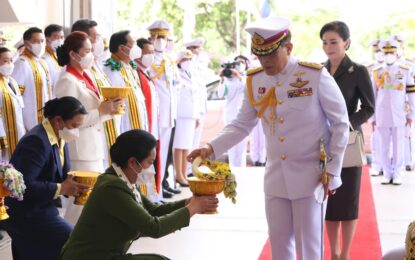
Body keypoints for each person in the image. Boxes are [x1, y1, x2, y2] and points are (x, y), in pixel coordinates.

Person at [188, 16, 349, 259]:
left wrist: (333, 170)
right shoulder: (255, 80)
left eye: (270, 55)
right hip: (276, 178)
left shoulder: (314, 76)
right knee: (279, 246)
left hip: (310, 177)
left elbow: (340, 123)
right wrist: (210, 147)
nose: (264, 61)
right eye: (260, 55)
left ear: (289, 48)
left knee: (309, 249)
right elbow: (242, 124)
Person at [60, 129, 219, 260]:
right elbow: (153, 227)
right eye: (150, 162)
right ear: (132, 163)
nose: (153, 169)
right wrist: (192, 209)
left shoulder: (122, 180)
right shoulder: (111, 187)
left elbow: (154, 210)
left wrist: (189, 202)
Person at [2, 96, 90, 260]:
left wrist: (76, 185)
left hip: (42, 208)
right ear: (58, 121)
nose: (76, 132)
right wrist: (62, 188)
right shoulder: (37, 141)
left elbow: (59, 174)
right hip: (25, 212)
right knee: (74, 242)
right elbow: (23, 186)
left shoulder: (59, 137)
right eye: (74, 126)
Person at [320, 21, 375, 260]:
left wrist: (347, 123)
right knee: (330, 201)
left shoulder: (358, 71)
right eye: (324, 42)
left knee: (348, 200)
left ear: (346, 43)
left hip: (350, 142)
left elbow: (369, 107)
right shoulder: (318, 71)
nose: (328, 47)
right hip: (324, 143)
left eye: (333, 41)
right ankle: (334, 252)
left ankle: (346, 254)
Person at [55, 31, 121, 225]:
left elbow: (95, 111)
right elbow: (68, 121)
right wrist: (100, 111)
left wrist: (110, 108)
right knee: (80, 204)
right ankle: (68, 243)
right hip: (79, 150)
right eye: (87, 51)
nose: (91, 55)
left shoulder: (85, 76)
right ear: (73, 54)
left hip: (93, 146)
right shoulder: (67, 80)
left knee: (92, 202)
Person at [70, 19, 120, 169]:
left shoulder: (93, 67)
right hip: (84, 145)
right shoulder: (70, 75)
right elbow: (71, 119)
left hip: (99, 136)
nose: (100, 41)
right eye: (96, 37)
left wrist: (112, 107)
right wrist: (102, 110)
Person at [372, 39, 415, 185]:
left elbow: (411, 94)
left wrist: (411, 114)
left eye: (392, 52)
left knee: (398, 146)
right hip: (382, 114)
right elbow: (372, 96)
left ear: (396, 53)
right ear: (382, 54)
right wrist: (372, 117)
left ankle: (397, 173)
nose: (389, 55)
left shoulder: (404, 70)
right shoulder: (376, 72)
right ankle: (387, 173)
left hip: (399, 114)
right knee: (383, 145)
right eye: (386, 53)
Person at [147, 20, 180, 199]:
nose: (160, 41)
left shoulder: (169, 60)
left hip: (169, 114)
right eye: (157, 37)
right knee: (154, 154)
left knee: (164, 153)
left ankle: (159, 188)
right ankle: (154, 191)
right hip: (156, 115)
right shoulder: (148, 59)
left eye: (163, 37)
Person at [103, 30, 149, 134]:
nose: (137, 48)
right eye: (133, 45)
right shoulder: (111, 70)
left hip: (139, 127)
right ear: (122, 48)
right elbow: (115, 103)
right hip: (125, 130)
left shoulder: (130, 67)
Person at [12, 27, 52, 131]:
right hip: (29, 121)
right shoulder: (21, 63)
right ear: (27, 43)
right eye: (36, 41)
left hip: (46, 117)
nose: (40, 44)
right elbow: (16, 97)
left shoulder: (42, 63)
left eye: (42, 41)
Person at [217, 55, 250, 168]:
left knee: (241, 146)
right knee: (231, 145)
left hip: (242, 116)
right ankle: (233, 170)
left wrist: (238, 76)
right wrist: (221, 79)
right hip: (229, 116)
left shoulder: (243, 79)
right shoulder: (225, 81)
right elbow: (220, 94)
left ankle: (241, 170)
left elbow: (247, 89)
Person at [174, 50, 200, 187]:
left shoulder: (191, 74)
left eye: (189, 59)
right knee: (179, 146)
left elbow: (195, 96)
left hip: (190, 115)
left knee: (186, 147)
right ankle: (178, 175)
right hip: (181, 114)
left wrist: (196, 116)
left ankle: (184, 174)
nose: (187, 62)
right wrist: (177, 62)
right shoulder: (176, 72)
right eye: (185, 59)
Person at [0, 47, 25, 159]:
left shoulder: (12, 81)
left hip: (18, 132)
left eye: (11, 60)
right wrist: (2, 138)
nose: (9, 64)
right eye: (5, 61)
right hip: (5, 135)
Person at [43, 24, 64, 96]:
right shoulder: (43, 58)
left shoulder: (60, 56)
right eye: (56, 37)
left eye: (61, 37)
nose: (60, 40)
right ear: (47, 40)